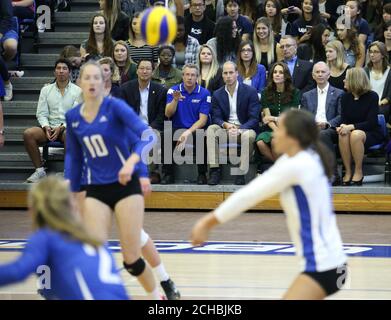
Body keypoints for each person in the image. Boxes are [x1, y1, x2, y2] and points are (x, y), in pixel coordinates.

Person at [192, 109, 348, 300]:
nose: (274, 134)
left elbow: (248, 195)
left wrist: (207, 222)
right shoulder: (311, 158)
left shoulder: (294, 165)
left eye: (279, 129)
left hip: (323, 265)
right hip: (334, 262)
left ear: (293, 137)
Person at [64, 61, 161, 300]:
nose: (92, 82)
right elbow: (74, 159)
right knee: (95, 253)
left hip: (126, 188)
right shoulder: (73, 117)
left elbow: (148, 136)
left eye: (97, 77)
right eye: (87, 78)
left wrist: (132, 163)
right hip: (95, 188)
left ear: (103, 81)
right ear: (80, 83)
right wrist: (72, 193)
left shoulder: (115, 107)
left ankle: (157, 297)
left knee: (131, 259)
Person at [0, 176, 130, 300]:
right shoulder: (93, 236)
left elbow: (17, 271)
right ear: (71, 206)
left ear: (32, 209)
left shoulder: (47, 236)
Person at [24, 59, 82, 183]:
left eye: (64, 68)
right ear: (54, 71)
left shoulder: (78, 91)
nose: (61, 71)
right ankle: (40, 171)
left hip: (66, 128)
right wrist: (46, 127)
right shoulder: (46, 90)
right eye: (58, 68)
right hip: (49, 127)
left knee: (70, 134)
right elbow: (41, 113)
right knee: (28, 134)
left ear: (70, 72)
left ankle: (68, 172)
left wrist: (62, 127)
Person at [207, 61, 259, 185]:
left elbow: (254, 118)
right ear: (222, 75)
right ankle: (215, 170)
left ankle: (241, 172)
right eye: (225, 73)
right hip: (226, 128)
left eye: (231, 72)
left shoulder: (250, 91)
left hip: (244, 129)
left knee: (250, 136)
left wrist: (240, 129)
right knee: (211, 129)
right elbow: (216, 117)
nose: (228, 76)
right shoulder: (217, 94)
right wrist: (225, 125)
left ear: (237, 73)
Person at [119, 59, 167, 183]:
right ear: (137, 70)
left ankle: (153, 172)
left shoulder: (160, 90)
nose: (144, 71)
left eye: (148, 69)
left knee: (153, 135)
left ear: (153, 71)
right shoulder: (126, 88)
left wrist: (152, 126)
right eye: (141, 68)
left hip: (151, 126)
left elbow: (161, 114)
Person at [162, 63, 211, 185]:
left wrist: (187, 133)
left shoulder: (204, 93)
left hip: (194, 129)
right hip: (176, 127)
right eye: (187, 75)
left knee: (201, 135)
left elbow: (203, 120)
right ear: (182, 76)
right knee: (166, 135)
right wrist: (175, 100)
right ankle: (168, 175)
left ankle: (202, 174)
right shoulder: (173, 90)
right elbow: (168, 114)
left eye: (193, 75)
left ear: (197, 77)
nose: (189, 78)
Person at [338, 68, 384, 186]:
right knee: (343, 134)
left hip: (371, 132)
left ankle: (358, 170)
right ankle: (348, 171)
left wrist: (351, 127)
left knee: (355, 134)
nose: (344, 80)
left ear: (354, 80)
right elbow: (344, 119)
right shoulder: (344, 97)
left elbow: (371, 122)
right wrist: (342, 126)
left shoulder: (372, 96)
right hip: (352, 131)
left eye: (346, 79)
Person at [301, 62, 344, 185]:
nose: (320, 74)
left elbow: (341, 116)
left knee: (323, 134)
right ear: (313, 75)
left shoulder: (339, 93)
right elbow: (304, 116)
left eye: (323, 72)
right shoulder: (306, 95)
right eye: (317, 72)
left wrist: (327, 124)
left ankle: (333, 173)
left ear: (329, 75)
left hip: (331, 129)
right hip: (312, 129)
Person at [256, 62, 300, 165]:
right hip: (271, 128)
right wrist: (276, 130)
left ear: (286, 76)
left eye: (281, 72)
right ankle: (281, 166)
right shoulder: (265, 92)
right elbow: (267, 118)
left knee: (275, 141)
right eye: (275, 72)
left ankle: (279, 170)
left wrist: (274, 118)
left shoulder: (295, 92)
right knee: (260, 142)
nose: (277, 74)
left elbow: (292, 117)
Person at [365, 41, 391, 123]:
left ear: (383, 54)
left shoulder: (389, 71)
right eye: (371, 52)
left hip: (383, 105)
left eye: (376, 52)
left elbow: (389, 96)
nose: (372, 55)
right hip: (366, 104)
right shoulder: (365, 71)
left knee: (378, 112)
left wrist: (379, 104)